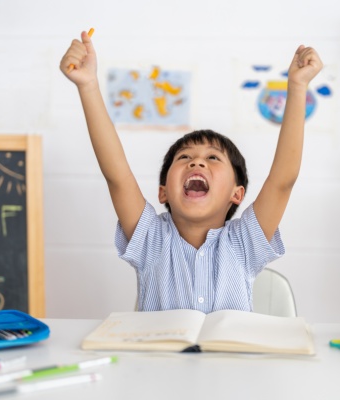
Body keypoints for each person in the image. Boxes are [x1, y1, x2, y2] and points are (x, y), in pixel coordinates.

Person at [60, 31, 323, 313]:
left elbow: (282, 181)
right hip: (159, 359)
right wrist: (87, 86)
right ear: (163, 192)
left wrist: (297, 87)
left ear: (237, 194)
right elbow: (118, 176)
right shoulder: (151, 238)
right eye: (184, 157)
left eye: (212, 158)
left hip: (228, 359)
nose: (196, 163)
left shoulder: (244, 243)